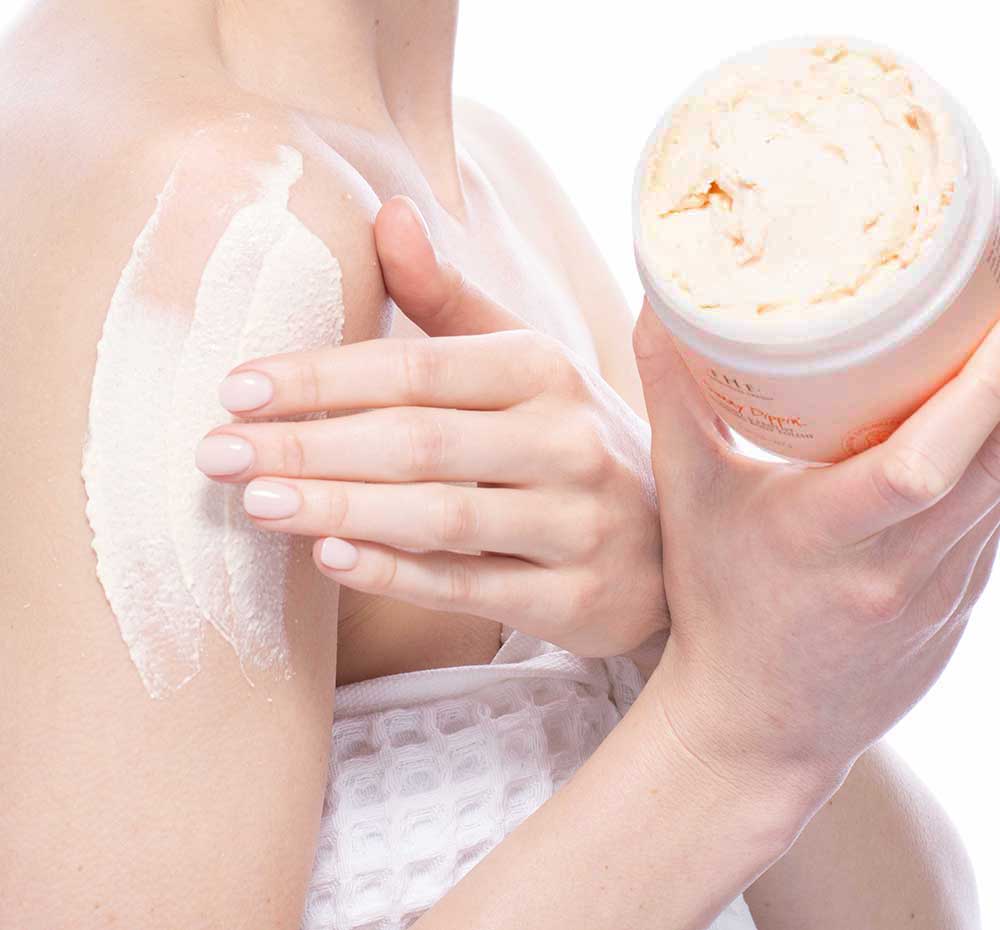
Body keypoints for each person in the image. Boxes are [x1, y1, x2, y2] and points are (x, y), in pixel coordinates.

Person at [0, 2, 989, 928]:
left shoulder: (497, 173)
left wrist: (704, 643)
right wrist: (734, 743)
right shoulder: (208, 209)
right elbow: (756, 747)